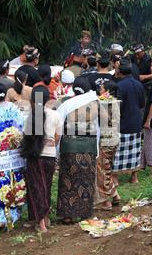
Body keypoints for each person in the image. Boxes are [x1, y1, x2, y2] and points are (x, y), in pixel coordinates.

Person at [56, 77, 100, 224]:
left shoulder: (66, 104)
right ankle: (85, 214)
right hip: (88, 145)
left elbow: (59, 128)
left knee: (67, 179)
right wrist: (97, 147)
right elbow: (98, 128)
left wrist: (57, 149)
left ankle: (67, 215)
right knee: (86, 180)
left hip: (70, 145)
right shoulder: (95, 102)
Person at [21, 86, 63, 232]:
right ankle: (44, 218)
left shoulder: (30, 117)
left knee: (36, 188)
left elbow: (26, 139)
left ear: (32, 99)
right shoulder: (55, 115)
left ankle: (40, 223)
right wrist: (50, 147)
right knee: (47, 186)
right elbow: (57, 137)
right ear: (48, 99)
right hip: (50, 156)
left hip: (35, 157)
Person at [111, 58, 145, 185]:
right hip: (135, 121)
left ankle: (114, 178)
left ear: (119, 71)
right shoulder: (138, 84)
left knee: (118, 151)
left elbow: (117, 108)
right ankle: (134, 177)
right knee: (135, 150)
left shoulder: (119, 86)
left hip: (123, 123)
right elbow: (142, 105)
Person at [93, 80, 121, 210]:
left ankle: (105, 202)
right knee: (107, 168)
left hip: (105, 141)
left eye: (102, 88)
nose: (100, 90)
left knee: (101, 171)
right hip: (114, 139)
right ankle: (115, 195)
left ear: (107, 92)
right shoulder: (115, 102)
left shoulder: (105, 103)